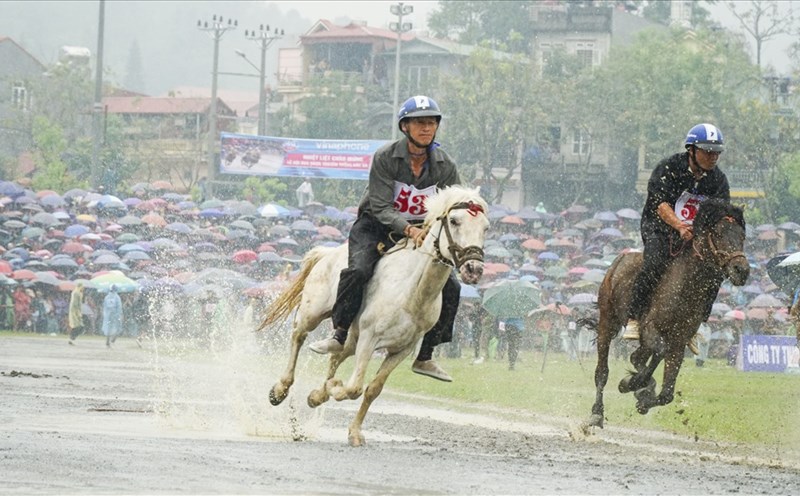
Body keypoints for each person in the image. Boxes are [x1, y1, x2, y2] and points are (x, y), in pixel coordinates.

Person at [308, 95, 461, 382]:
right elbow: (380, 206)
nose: (427, 128)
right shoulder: (385, 157)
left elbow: (454, 205)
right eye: (420, 123)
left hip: (420, 233)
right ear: (405, 127)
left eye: (431, 123)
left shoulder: (445, 165)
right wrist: (409, 229)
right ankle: (339, 333)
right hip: (375, 226)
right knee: (359, 270)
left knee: (450, 284)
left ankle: (426, 355)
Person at [623, 123, 730, 356]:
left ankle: (695, 324)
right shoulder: (669, 168)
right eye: (707, 151)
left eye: (717, 153)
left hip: (694, 234)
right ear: (691, 150)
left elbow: (721, 213)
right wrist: (679, 226)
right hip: (659, 228)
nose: (713, 157)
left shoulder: (718, 180)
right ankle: (634, 316)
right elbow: (660, 204)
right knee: (654, 263)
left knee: (715, 273)